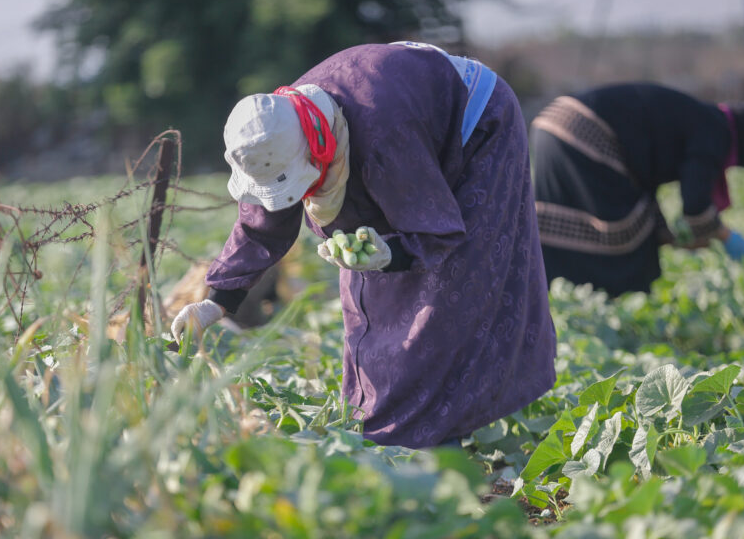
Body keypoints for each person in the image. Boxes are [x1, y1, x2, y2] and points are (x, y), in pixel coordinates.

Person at [171, 42, 557, 449]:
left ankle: (440, 435)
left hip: (477, 124)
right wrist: (215, 301)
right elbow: (259, 224)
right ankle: (382, 425)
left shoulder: (384, 135)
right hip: (402, 121)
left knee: (448, 294)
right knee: (365, 298)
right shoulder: (271, 135)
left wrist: (394, 253)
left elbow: (436, 230)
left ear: (315, 150)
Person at [531, 82, 744, 296]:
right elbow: (695, 204)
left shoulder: (701, 116)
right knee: (627, 244)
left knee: (562, 226)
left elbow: (643, 182)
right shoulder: (716, 130)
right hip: (585, 133)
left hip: (551, 123)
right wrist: (725, 236)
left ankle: (559, 304)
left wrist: (668, 236)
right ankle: (618, 313)